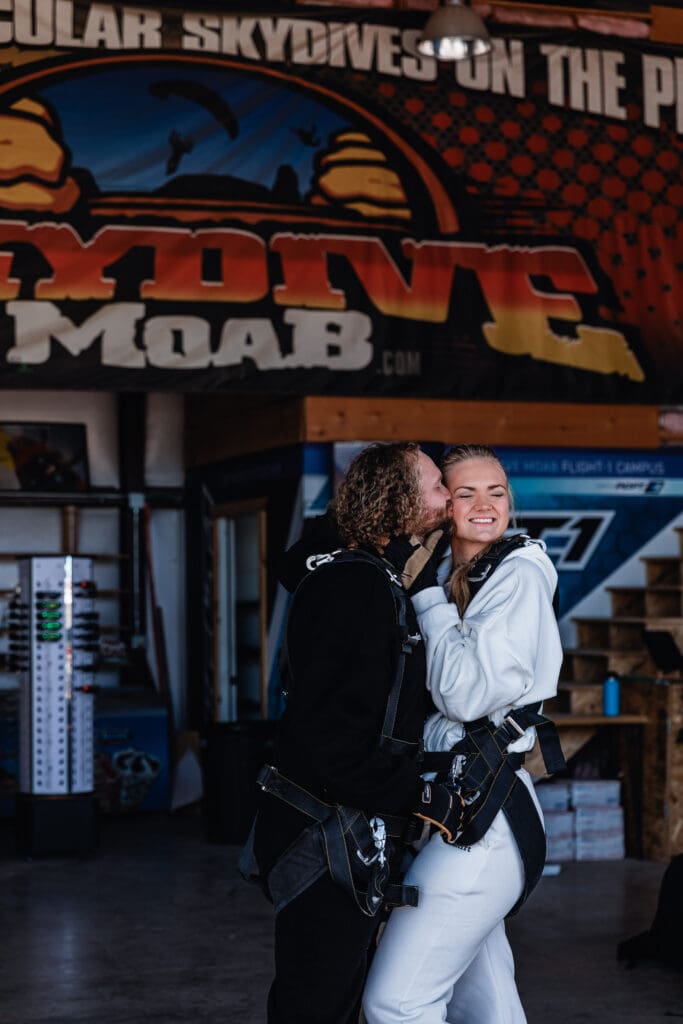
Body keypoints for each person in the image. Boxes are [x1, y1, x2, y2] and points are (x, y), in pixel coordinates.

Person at [245, 441, 453, 1024]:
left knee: (334, 996)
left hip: (344, 824)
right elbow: (329, 733)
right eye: (437, 485)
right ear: (399, 500)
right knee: (315, 1001)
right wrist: (413, 794)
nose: (448, 498)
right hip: (321, 833)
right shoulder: (353, 586)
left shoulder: (365, 576)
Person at [363, 443, 565, 1024]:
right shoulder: (465, 575)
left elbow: (466, 695)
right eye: (465, 493)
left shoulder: (519, 573)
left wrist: (425, 593)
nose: (484, 505)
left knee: (397, 1003)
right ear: (441, 507)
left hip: (486, 819)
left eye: (496, 492)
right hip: (462, 809)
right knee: (487, 1003)